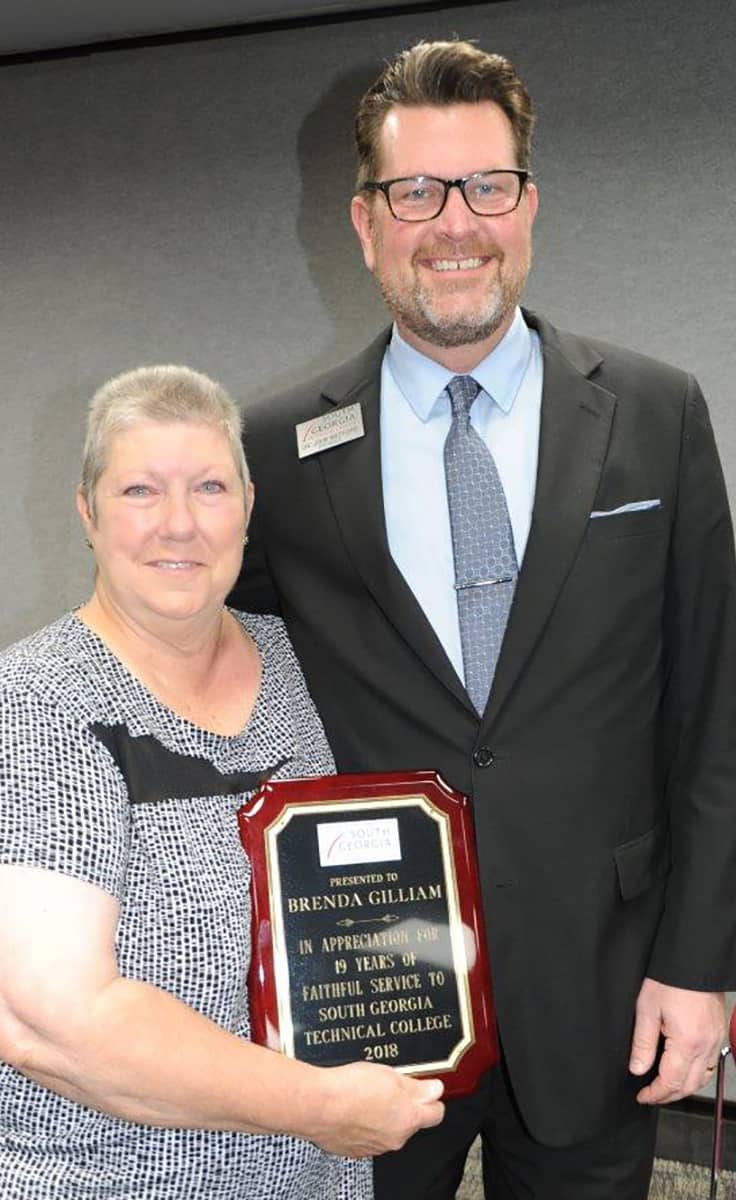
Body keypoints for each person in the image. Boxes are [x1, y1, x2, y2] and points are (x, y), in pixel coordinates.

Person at [229, 38, 736, 1200]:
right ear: (364, 223)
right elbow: (225, 686)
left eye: (485, 185)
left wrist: (704, 967)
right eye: (413, 191)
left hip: (603, 977)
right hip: (370, 1000)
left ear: (527, 206)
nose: (450, 223)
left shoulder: (653, 412)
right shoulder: (276, 449)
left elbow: (711, 706)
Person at [0, 364, 444, 1199]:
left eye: (208, 487)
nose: (177, 525)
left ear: (247, 506)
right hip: (109, 1180)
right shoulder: (35, 702)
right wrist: (316, 1103)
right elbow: (49, 1023)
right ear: (87, 513)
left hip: (316, 1176)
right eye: (139, 490)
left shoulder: (298, 661)